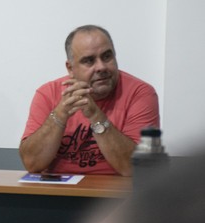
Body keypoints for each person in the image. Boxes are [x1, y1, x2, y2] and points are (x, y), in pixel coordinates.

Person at [19, 24, 160, 176]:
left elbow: (137, 168)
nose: (101, 67)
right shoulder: (48, 93)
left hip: (115, 196)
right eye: (89, 61)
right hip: (57, 194)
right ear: (70, 68)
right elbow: (32, 163)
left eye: (107, 56)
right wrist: (60, 114)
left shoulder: (140, 93)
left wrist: (95, 116)